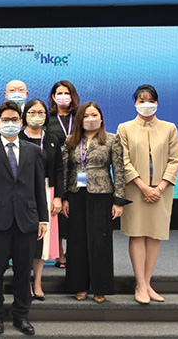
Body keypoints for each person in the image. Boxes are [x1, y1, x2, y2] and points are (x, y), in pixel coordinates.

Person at [0, 100, 48, 335]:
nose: (10, 124)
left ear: (21, 122)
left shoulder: (33, 150)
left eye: (14, 120)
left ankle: (21, 316)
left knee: (23, 270)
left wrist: (43, 219)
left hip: (27, 220)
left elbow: (39, 187)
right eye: (5, 120)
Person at [117, 84, 178, 305]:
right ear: (135, 103)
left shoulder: (169, 128)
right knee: (137, 234)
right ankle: (140, 285)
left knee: (154, 235)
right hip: (135, 189)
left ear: (157, 102)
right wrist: (144, 187)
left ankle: (147, 282)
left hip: (162, 191)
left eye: (150, 100)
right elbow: (122, 161)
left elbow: (175, 159)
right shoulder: (124, 128)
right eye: (141, 100)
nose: (146, 104)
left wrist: (160, 187)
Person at [63, 101, 130, 304]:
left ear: (101, 117)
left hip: (101, 195)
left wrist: (118, 201)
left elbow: (119, 171)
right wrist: (64, 197)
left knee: (100, 242)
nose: (90, 119)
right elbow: (65, 170)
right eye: (86, 116)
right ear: (79, 119)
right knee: (76, 242)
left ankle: (100, 287)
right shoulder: (70, 140)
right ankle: (79, 286)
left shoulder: (111, 139)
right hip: (75, 194)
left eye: (94, 115)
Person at [19, 99, 65, 301]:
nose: (37, 115)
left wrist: (58, 197)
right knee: (23, 237)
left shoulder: (52, 139)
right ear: (25, 115)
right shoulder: (17, 137)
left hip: (46, 191)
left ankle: (37, 281)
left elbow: (58, 170)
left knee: (41, 239)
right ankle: (23, 281)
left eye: (41, 112)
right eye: (32, 112)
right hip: (20, 192)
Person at [46, 80, 80, 268]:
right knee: (57, 213)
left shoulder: (80, 117)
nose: (63, 96)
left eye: (66, 93)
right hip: (55, 169)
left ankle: (74, 251)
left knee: (74, 213)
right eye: (59, 93)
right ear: (53, 97)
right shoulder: (48, 119)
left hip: (77, 169)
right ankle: (60, 255)